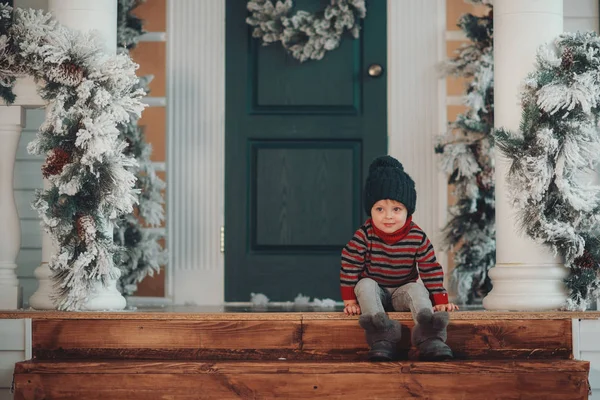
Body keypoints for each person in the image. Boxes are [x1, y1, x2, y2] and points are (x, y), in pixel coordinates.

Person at [340, 155, 459, 361]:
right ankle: (382, 337)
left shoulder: (416, 236)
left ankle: (430, 336)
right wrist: (350, 300)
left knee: (417, 288)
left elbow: (429, 268)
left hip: (402, 292)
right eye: (380, 209)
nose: (388, 216)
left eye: (396, 209)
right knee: (365, 283)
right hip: (374, 294)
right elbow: (350, 265)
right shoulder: (364, 235)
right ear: (371, 211)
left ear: (407, 210)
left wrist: (440, 300)